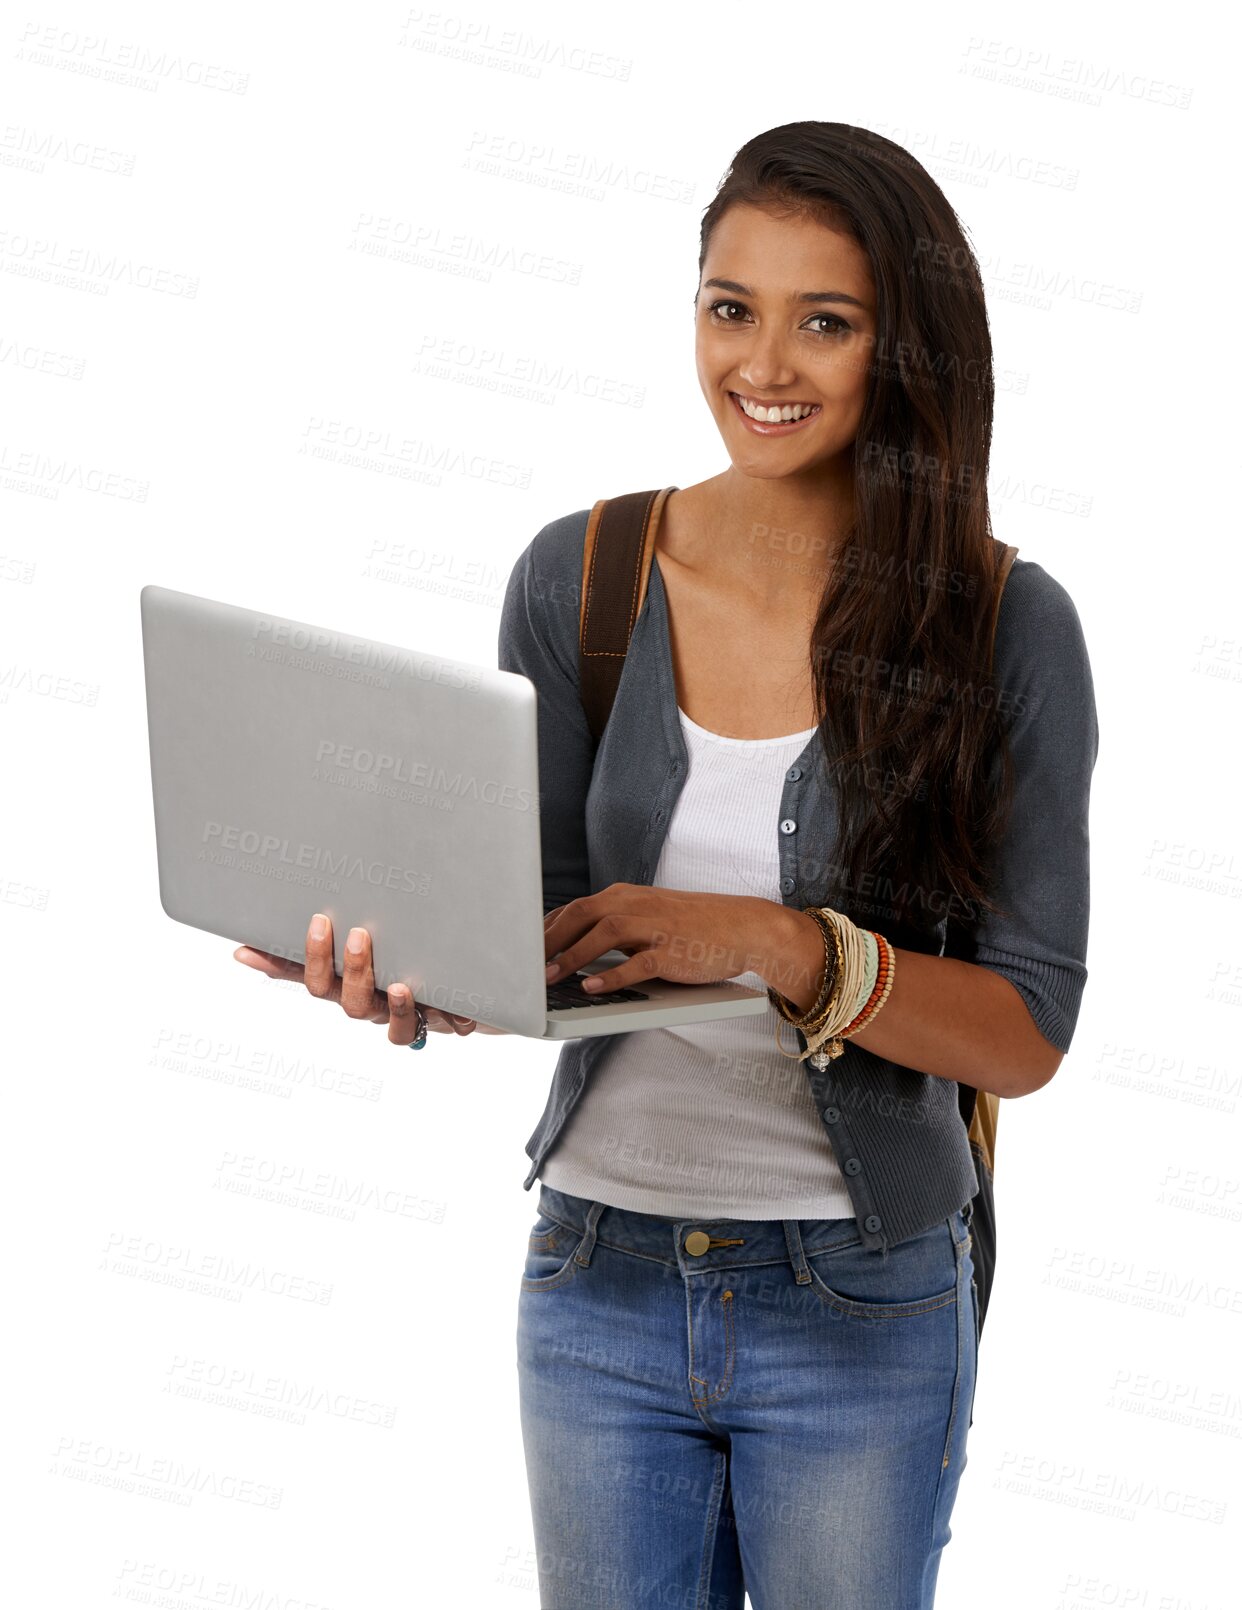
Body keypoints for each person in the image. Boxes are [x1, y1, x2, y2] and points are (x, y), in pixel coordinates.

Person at [234, 120, 1098, 1608]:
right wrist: (418, 980)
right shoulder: (580, 577)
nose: (761, 363)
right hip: (595, 1277)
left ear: (908, 347)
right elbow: (550, 939)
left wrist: (777, 945)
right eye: (728, 306)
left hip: (860, 1292)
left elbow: (1022, 1035)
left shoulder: (1001, 625)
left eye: (823, 320)